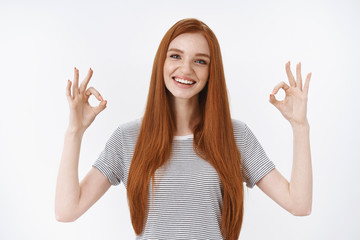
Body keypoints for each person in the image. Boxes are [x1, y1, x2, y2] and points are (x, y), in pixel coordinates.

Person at [55, 18, 312, 240]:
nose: (186, 69)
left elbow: (299, 204)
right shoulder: (128, 138)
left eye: (200, 61)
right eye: (176, 56)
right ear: (162, 63)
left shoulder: (235, 136)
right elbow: (67, 210)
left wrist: (300, 127)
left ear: (212, 72)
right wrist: (74, 132)